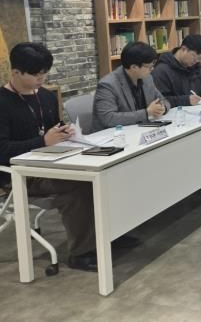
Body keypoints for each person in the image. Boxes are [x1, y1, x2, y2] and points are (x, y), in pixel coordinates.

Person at [0, 43, 99, 271]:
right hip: (20, 174)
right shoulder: (3, 103)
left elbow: (53, 128)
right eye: (36, 74)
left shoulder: (46, 96)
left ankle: (108, 235)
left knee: (101, 175)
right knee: (81, 187)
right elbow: (2, 150)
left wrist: (65, 132)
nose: (41, 78)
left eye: (45, 72)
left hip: (54, 162)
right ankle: (81, 253)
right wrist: (43, 142)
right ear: (16, 72)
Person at [91, 41, 171, 132]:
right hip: (114, 135)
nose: (152, 69)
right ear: (134, 67)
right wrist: (146, 113)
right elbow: (108, 118)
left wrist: (162, 108)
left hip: (140, 131)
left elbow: (163, 100)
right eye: (149, 67)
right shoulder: (108, 85)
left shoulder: (147, 78)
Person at [152, 35, 201, 107]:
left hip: (199, 108)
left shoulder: (195, 65)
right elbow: (160, 100)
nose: (196, 61)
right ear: (183, 49)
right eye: (194, 56)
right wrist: (185, 100)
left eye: (200, 58)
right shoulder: (161, 71)